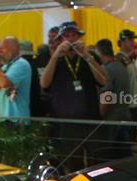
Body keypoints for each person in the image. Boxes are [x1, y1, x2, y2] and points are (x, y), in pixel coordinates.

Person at [39, 21, 108, 171]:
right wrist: (56, 54)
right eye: (66, 36)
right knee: (73, 163)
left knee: (95, 163)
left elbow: (103, 80)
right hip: (68, 123)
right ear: (60, 40)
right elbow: (44, 83)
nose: (71, 39)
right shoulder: (56, 61)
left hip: (91, 120)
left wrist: (87, 55)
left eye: (74, 36)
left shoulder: (89, 57)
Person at [96, 39, 133, 161]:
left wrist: (99, 115)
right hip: (124, 116)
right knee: (124, 158)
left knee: (109, 158)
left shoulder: (107, 69)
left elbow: (107, 95)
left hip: (111, 120)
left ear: (100, 52)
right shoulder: (121, 66)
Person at [0, 36, 31, 124]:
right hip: (3, 117)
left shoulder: (21, 64)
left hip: (16, 119)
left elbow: (4, 84)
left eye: (2, 49)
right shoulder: (5, 67)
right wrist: (1, 82)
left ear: (14, 49)